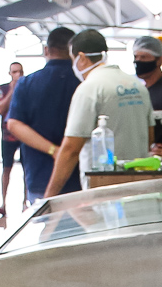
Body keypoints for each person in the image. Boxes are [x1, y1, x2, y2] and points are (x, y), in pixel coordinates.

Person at [43, 29, 152, 199]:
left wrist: (48, 199)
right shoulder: (137, 85)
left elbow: (71, 149)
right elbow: (149, 136)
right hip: (139, 186)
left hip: (103, 190)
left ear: (82, 58)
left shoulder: (89, 89)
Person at [3, 26, 80, 203]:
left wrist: (54, 151)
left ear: (46, 50)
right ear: (74, 51)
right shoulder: (83, 83)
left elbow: (14, 124)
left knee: (44, 225)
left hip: (39, 174)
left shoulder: (26, 84)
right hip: (78, 176)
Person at [0, 61, 23, 217]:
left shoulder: (26, 87)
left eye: (19, 72)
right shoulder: (2, 89)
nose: (17, 75)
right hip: (7, 134)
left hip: (24, 134)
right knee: (6, 168)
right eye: (14, 72)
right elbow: (0, 109)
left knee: (27, 168)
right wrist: (12, 90)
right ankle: (3, 203)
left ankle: (25, 202)